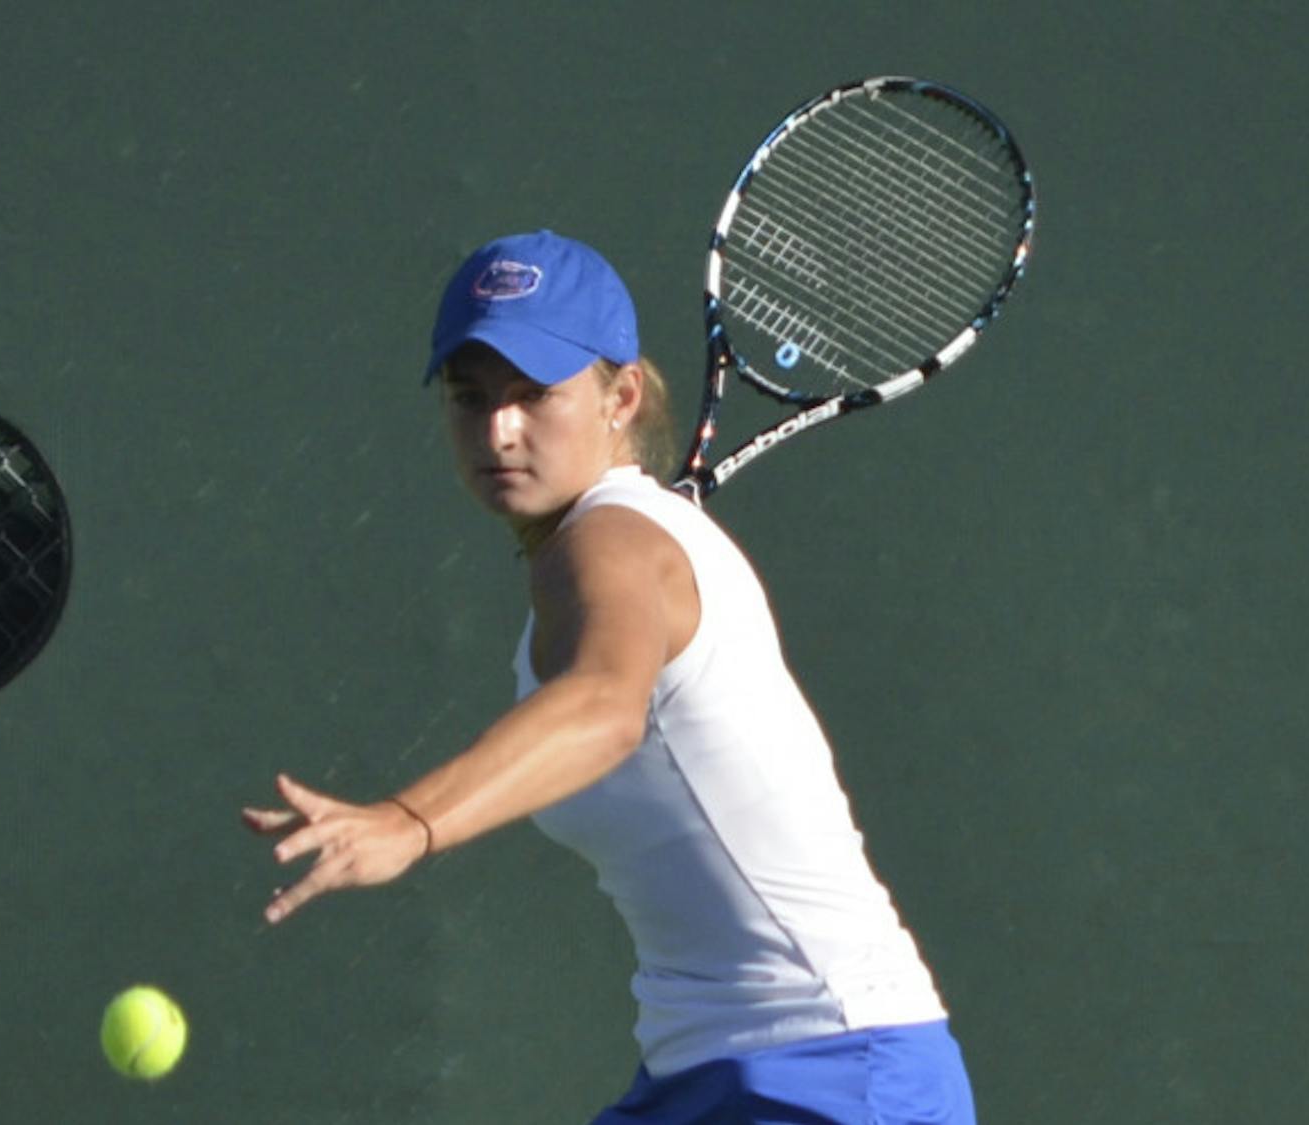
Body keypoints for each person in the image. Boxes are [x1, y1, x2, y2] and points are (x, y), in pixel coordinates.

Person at [243, 230, 977, 1124]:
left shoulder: (609, 539)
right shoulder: (609, 541)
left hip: (827, 1073)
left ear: (620, 395)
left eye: (533, 395)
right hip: (716, 1074)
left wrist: (409, 822)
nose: (497, 429)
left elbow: (603, 707)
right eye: (469, 398)